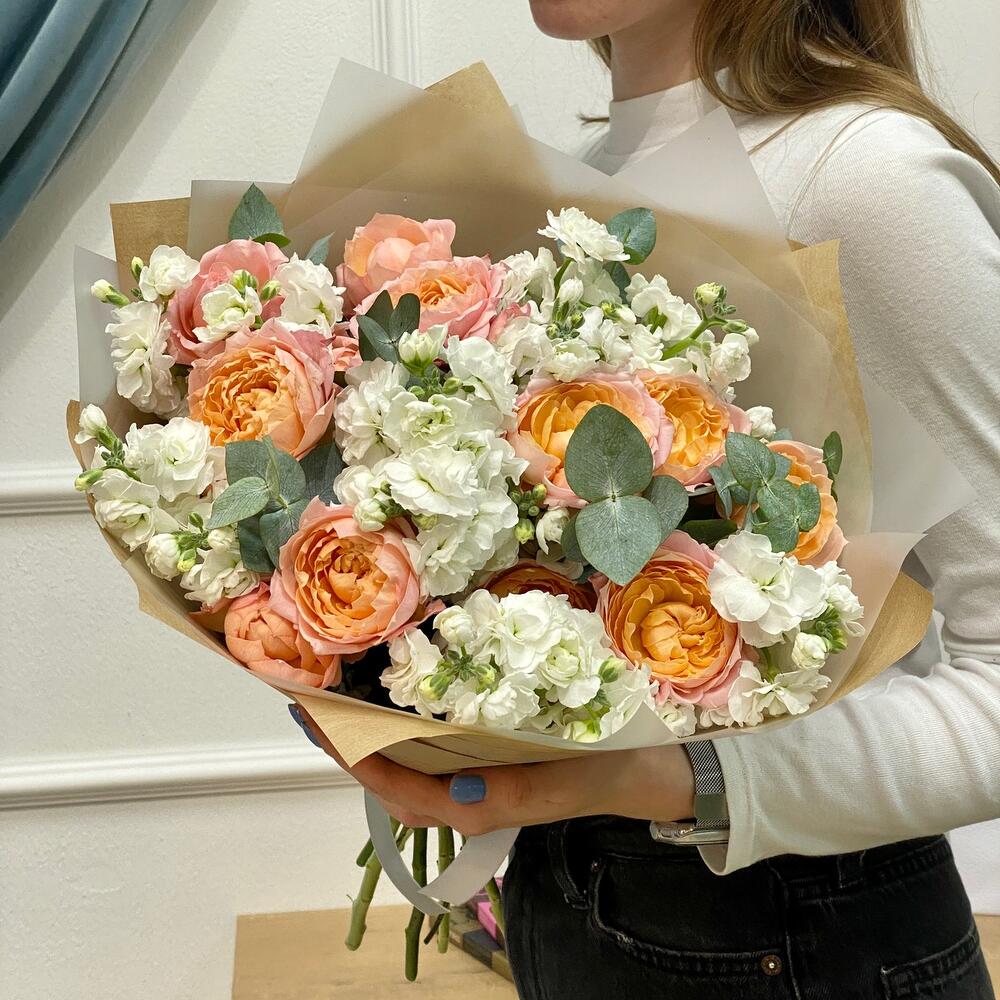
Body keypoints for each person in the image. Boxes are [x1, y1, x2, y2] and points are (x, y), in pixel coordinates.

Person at [290, 1, 1000, 995]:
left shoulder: (866, 178)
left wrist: (674, 778)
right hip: (575, 903)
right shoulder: (586, 183)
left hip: (794, 934)